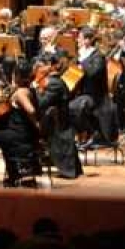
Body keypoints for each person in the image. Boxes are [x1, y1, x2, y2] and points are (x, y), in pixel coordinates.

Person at [36, 51, 82, 179]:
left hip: (56, 123)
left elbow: (41, 103)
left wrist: (37, 91)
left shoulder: (54, 83)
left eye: (43, 65)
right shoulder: (55, 81)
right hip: (59, 119)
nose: (40, 68)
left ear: (51, 66)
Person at [69, 26, 117, 149]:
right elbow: (71, 74)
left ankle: (94, 133)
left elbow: (92, 72)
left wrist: (82, 60)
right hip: (83, 94)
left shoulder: (98, 56)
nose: (77, 41)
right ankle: (80, 136)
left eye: (79, 38)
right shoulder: (81, 55)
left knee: (74, 108)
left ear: (88, 40)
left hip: (97, 97)